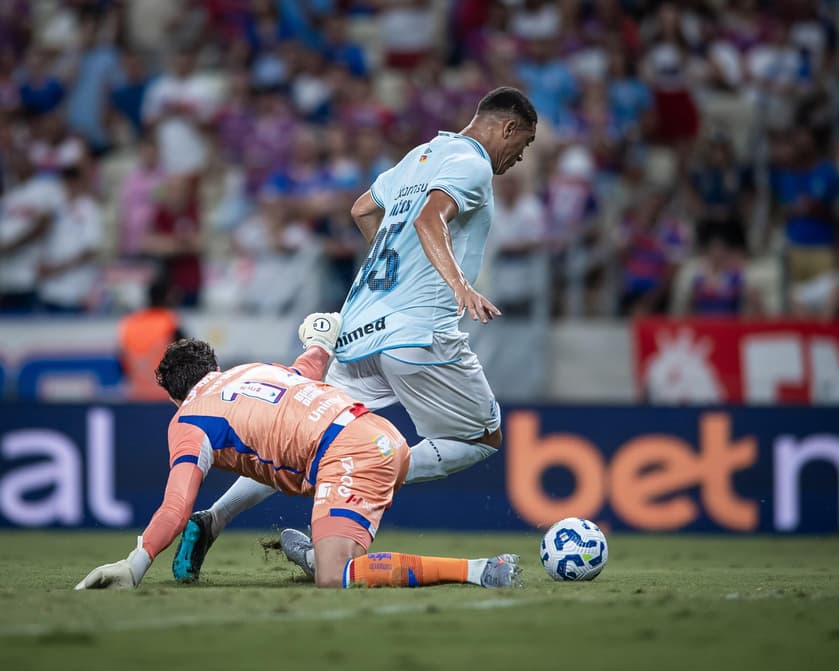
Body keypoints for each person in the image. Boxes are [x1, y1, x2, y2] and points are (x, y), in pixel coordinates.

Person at [173, 86, 537, 582]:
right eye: (525, 144)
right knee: (484, 437)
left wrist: (398, 274)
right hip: (418, 331)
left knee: (305, 437)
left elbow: (363, 210)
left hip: (359, 326)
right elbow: (431, 217)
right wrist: (458, 286)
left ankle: (214, 518)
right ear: (509, 128)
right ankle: (350, 470)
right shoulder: (472, 164)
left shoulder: (419, 155)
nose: (521, 157)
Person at [73, 314, 520, 590]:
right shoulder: (255, 370)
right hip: (375, 435)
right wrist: (321, 335)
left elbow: (175, 506)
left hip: (347, 456)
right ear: (215, 368)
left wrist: (134, 564)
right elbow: (310, 364)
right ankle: (310, 550)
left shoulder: (188, 420)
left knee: (336, 577)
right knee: (274, 458)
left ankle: (480, 570)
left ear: (174, 397)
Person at [117, 274, 185, 401]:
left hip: (135, 395)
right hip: (166, 397)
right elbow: (187, 360)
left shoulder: (129, 323)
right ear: (168, 297)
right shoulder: (170, 322)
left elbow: (121, 361)